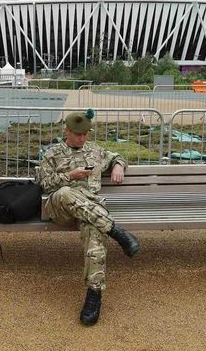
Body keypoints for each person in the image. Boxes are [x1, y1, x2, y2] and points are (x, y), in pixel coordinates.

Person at [37, 109, 140, 326]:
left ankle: (94, 295)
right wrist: (70, 176)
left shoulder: (95, 151)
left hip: (90, 211)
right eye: (77, 134)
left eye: (85, 134)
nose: (82, 138)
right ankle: (116, 232)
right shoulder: (53, 154)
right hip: (61, 208)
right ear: (66, 130)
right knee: (65, 192)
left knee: (95, 234)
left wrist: (118, 166)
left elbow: (117, 156)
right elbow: (44, 184)